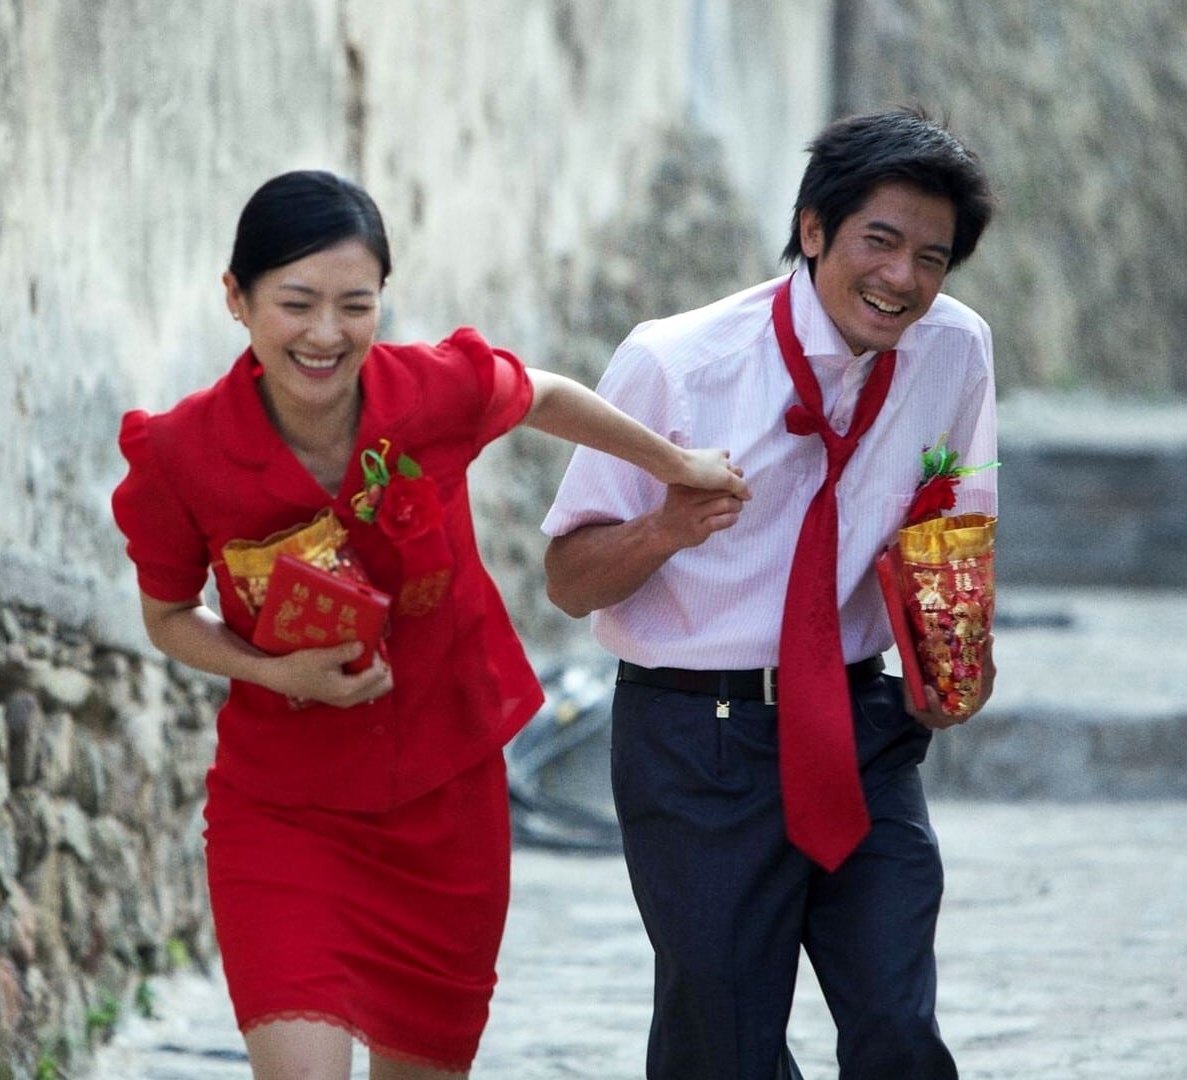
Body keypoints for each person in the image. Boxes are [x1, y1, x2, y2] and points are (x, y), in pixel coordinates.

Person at [110, 169, 745, 1080]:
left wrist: (673, 462)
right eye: (295, 303)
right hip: (285, 809)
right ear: (236, 300)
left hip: (447, 805)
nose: (325, 334)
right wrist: (278, 674)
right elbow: (170, 617)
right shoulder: (182, 454)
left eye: (354, 305)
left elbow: (542, 395)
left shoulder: (428, 392)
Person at [540, 108, 999, 1079]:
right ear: (812, 229)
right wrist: (665, 528)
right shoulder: (675, 364)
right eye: (880, 241)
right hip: (695, 737)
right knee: (725, 1050)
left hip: (860, 723)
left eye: (932, 257)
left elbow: (953, 518)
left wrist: (953, 653)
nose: (903, 278)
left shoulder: (955, 351)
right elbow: (567, 580)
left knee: (898, 1027)